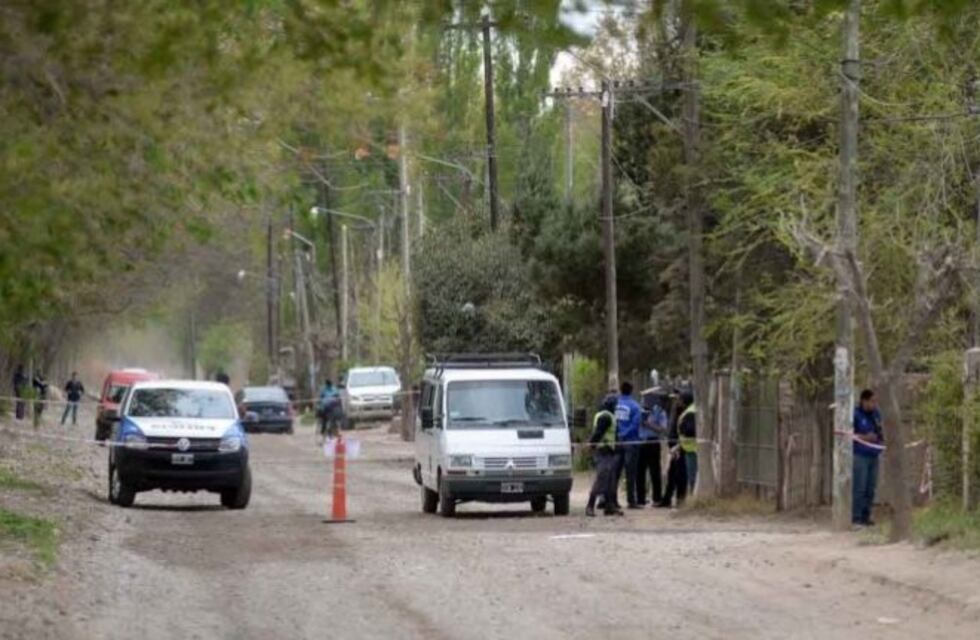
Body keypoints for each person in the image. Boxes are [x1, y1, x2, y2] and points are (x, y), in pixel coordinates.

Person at [585, 394, 623, 517]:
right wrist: (591, 445)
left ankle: (609, 506)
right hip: (604, 451)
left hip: (609, 451)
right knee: (602, 478)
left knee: (610, 479)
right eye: (615, 405)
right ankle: (590, 506)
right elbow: (598, 433)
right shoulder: (606, 417)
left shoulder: (605, 415)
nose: (616, 407)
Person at [853, 389, 884, 526]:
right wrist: (866, 438)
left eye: (876, 401)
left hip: (874, 455)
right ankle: (856, 517)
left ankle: (866, 516)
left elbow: (880, 430)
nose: (874, 404)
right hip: (860, 455)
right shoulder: (855, 414)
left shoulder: (876, 414)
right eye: (872, 401)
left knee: (871, 488)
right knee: (860, 487)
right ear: (864, 401)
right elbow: (850, 435)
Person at [657, 390, 693, 508]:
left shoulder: (686, 412)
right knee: (672, 473)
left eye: (678, 399)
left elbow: (685, 431)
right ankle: (667, 498)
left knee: (680, 474)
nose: (677, 401)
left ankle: (680, 499)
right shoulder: (676, 410)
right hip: (675, 446)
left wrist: (677, 445)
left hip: (682, 447)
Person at [637, 392, 669, 507]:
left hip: (652, 442)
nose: (644, 402)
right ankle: (640, 499)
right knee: (639, 472)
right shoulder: (638, 411)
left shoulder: (659, 412)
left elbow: (663, 429)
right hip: (640, 442)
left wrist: (648, 424)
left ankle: (657, 498)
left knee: (655, 471)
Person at [614, 381, 643, 509]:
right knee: (630, 473)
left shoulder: (615, 405)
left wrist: (618, 435)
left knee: (615, 472)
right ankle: (631, 501)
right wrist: (625, 434)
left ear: (620, 390)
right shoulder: (636, 407)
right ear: (631, 391)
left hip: (616, 442)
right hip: (631, 442)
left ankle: (612, 500)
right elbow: (635, 425)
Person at [678, 392, 698, 494]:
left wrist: (682, 430)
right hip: (691, 447)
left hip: (692, 449)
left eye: (680, 399)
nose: (678, 401)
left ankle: (693, 496)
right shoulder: (692, 409)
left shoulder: (690, 412)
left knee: (692, 476)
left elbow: (691, 430)